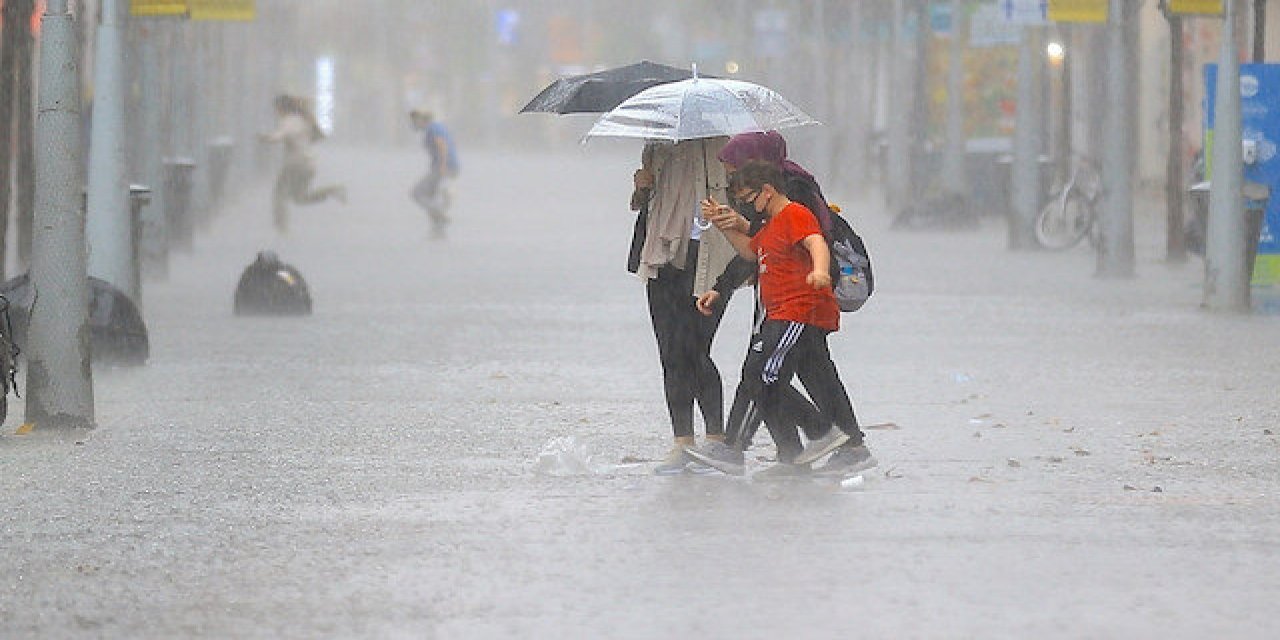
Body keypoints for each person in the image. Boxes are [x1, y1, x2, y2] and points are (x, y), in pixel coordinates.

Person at [686, 131, 874, 477]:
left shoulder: (793, 196)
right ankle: (808, 450)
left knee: (762, 374)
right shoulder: (769, 200)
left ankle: (759, 445)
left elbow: (810, 238)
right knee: (805, 374)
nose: (732, 183)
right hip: (783, 301)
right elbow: (758, 246)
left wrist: (818, 271)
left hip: (800, 302)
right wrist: (722, 279)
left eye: (735, 174)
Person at [628, 137, 740, 475]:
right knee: (671, 352)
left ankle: (716, 440)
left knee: (695, 349)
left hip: (710, 258)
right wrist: (641, 188)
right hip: (662, 256)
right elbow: (643, 207)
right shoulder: (657, 147)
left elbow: (744, 202)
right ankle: (683, 442)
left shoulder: (725, 148)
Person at [259, 94, 346, 234]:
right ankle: (332, 191)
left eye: (276, 108)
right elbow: (313, 137)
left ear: (282, 107)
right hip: (308, 164)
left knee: (279, 193)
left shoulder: (290, 120)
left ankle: (282, 228)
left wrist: (267, 138)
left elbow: (282, 134)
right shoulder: (303, 120)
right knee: (300, 198)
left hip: (295, 164)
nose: (276, 112)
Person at [409, 109, 460, 239]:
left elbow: (442, 145)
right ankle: (437, 222)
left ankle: (440, 215)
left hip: (444, 167)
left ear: (421, 119)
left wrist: (442, 165)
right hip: (447, 166)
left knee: (417, 193)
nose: (413, 125)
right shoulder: (436, 127)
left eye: (414, 121)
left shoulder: (432, 128)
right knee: (431, 194)